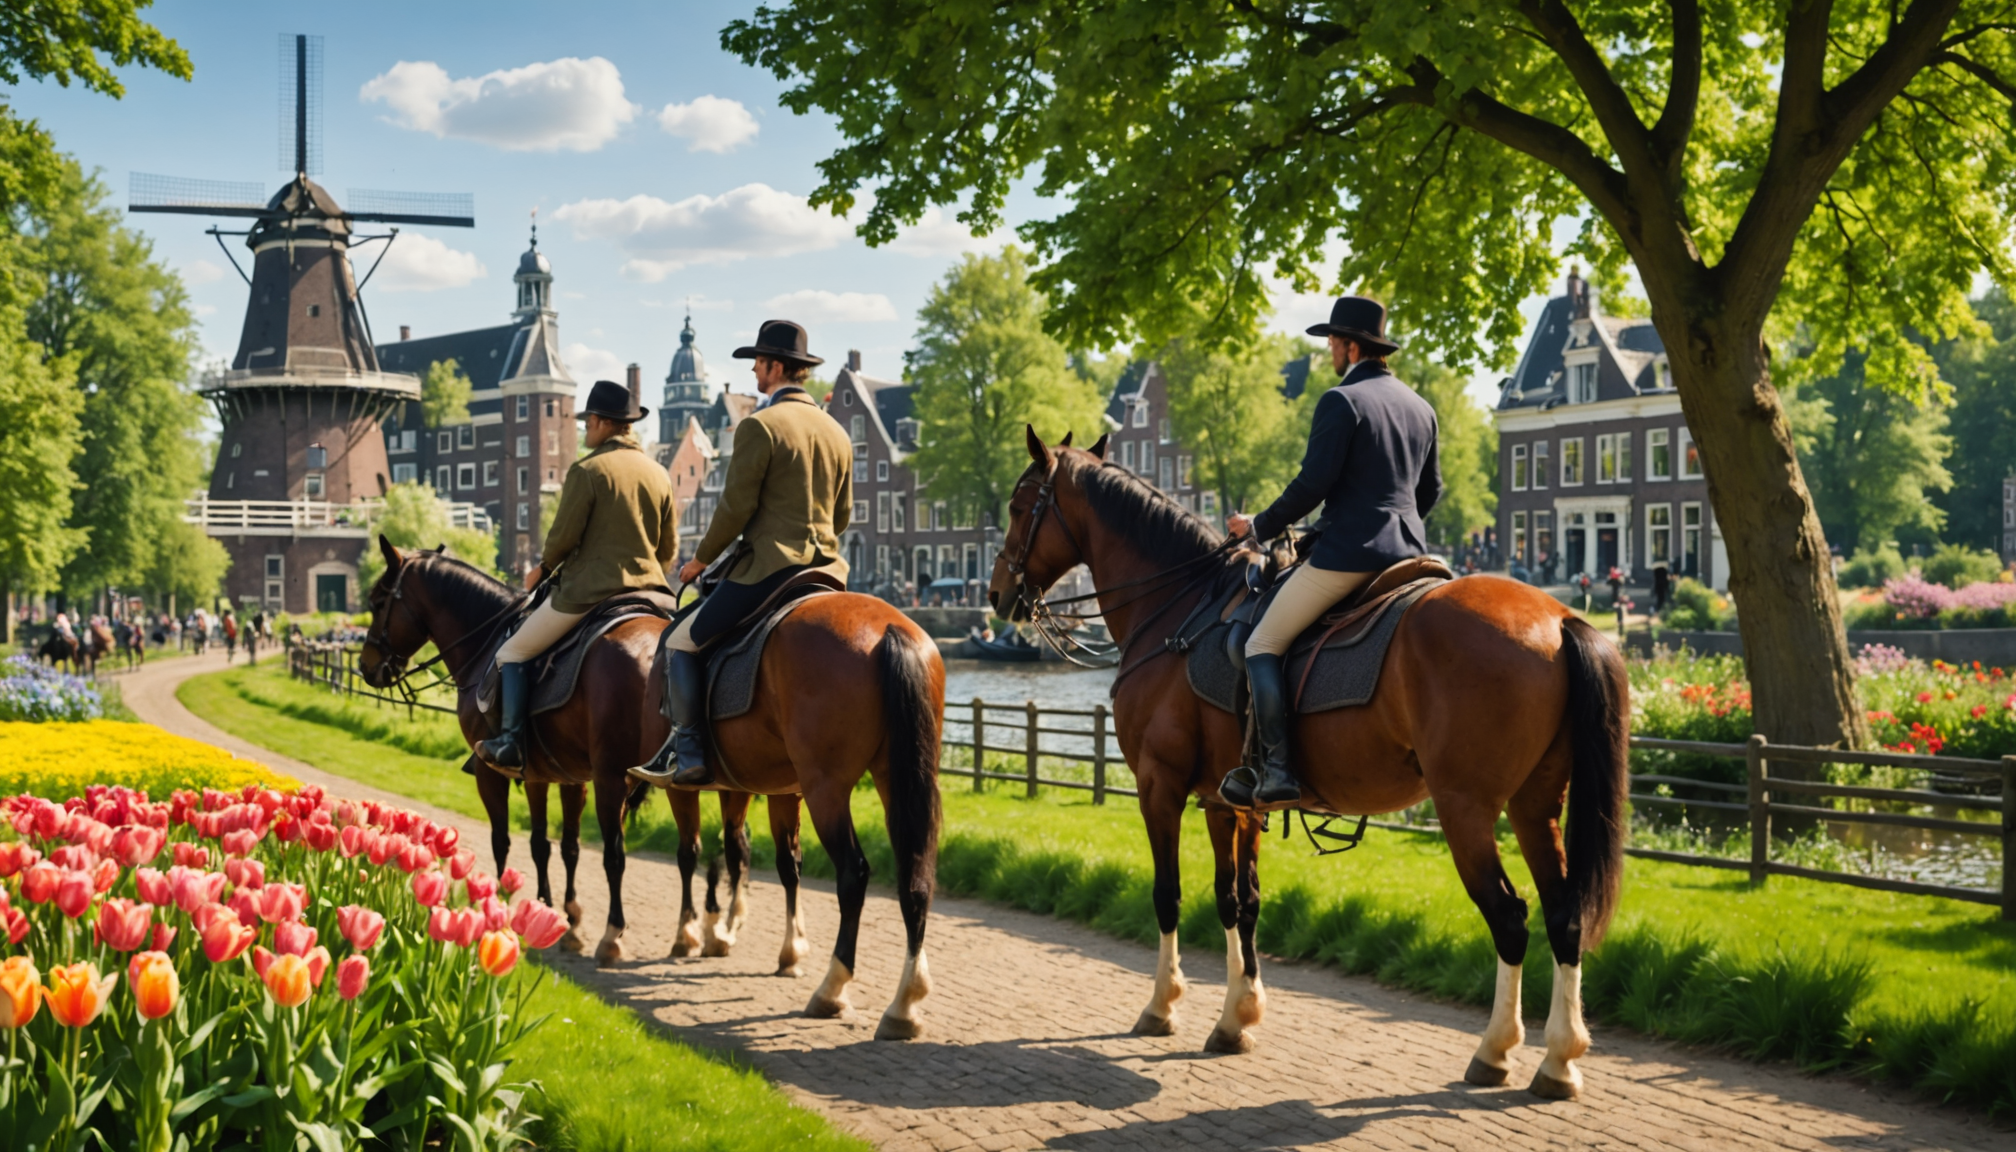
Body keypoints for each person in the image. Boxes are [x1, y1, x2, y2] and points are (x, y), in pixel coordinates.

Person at [1218, 296, 1441, 809]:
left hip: (1350, 556)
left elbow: (1312, 485)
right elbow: (1430, 491)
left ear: (1350, 345)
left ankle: (1275, 769)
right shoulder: (1421, 408)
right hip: (1410, 556)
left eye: (1332, 343)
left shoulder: (1341, 401)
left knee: (1260, 643)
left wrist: (1257, 527)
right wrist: (1398, 527)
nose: (1329, 353)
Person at [630, 319, 851, 787]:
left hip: (769, 572)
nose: (753, 372)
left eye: (757, 362)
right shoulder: (837, 433)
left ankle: (688, 753)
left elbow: (735, 508)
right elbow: (843, 514)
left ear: (775, 366)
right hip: (828, 572)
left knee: (680, 641)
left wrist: (701, 560)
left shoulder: (760, 426)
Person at [477, 380, 678, 771]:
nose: (585, 429)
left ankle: (510, 743)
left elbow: (564, 537)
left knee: (512, 652)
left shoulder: (588, 469)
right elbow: (667, 548)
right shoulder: (659, 473)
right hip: (655, 594)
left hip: (591, 592)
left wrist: (543, 569)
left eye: (588, 422)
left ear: (603, 423)